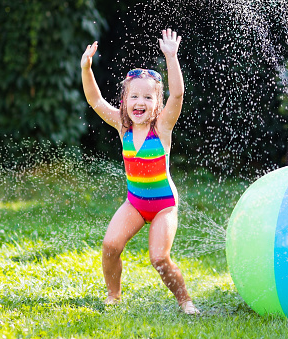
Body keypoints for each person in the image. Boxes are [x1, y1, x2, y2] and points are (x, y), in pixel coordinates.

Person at [81, 29, 199, 315]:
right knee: (110, 246)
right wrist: (86, 68)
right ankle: (114, 296)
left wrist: (171, 56)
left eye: (147, 97)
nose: (140, 103)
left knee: (159, 258)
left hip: (163, 207)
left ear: (157, 104)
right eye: (134, 96)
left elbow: (179, 94)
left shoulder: (162, 128)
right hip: (134, 203)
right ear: (124, 101)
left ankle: (185, 301)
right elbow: (96, 102)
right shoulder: (123, 127)